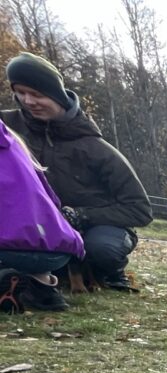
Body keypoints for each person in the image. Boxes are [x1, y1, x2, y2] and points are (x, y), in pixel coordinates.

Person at [2, 52, 152, 292]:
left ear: (56, 94)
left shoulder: (97, 149)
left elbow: (140, 209)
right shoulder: (7, 128)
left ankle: (109, 272)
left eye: (37, 94)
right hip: (29, 222)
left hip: (93, 226)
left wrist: (80, 215)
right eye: (20, 92)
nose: (28, 101)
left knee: (102, 248)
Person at [0, 117, 83, 311]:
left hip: (8, 248)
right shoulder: (15, 141)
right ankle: (42, 285)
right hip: (56, 251)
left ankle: (8, 278)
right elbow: (52, 199)